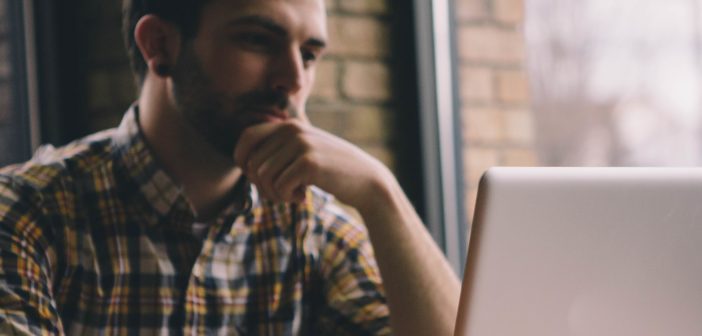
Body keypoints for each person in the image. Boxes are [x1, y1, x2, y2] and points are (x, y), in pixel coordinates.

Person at [0, 0, 460, 334]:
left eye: (310, 54)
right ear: (160, 44)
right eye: (258, 40)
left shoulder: (315, 230)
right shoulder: (25, 215)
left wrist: (381, 194)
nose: (294, 80)